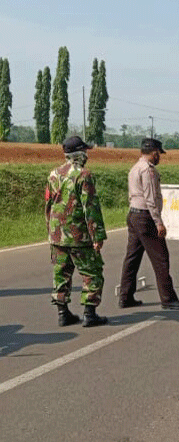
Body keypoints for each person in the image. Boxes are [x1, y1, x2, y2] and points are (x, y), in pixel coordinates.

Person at [118, 138, 179, 310]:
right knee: (161, 258)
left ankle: (125, 296)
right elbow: (150, 198)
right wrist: (158, 222)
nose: (160, 157)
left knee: (132, 258)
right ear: (154, 152)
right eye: (159, 153)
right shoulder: (148, 170)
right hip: (145, 217)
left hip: (134, 215)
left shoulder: (135, 167)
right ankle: (168, 299)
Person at [45, 136, 109, 327]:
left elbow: (48, 205)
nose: (87, 155)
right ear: (79, 154)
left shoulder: (53, 174)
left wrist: (50, 231)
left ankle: (62, 313)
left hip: (57, 235)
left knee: (61, 274)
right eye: (85, 152)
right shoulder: (83, 175)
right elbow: (90, 208)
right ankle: (90, 313)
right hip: (79, 235)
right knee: (92, 271)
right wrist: (97, 236)